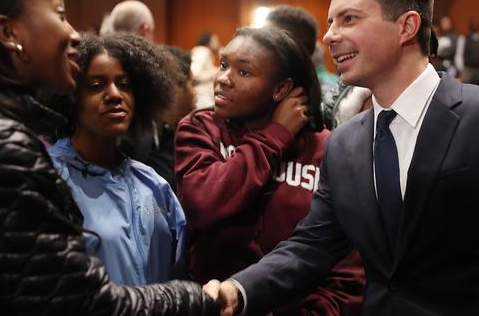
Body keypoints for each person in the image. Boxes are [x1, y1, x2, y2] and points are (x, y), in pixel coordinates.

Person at [205, 0, 479, 316]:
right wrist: (240, 290)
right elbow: (312, 246)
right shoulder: (344, 142)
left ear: (407, 26)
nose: (330, 35)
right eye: (331, 21)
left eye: (349, 19)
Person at [0, 0, 217, 314]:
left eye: (124, 84)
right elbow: (86, 303)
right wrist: (202, 298)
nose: (73, 33)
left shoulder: (152, 184)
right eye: (59, 14)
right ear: (9, 33)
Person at [175, 26, 365, 315]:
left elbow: (345, 262)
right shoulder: (201, 128)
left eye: (244, 72)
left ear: (280, 89)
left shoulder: (326, 149)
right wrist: (274, 136)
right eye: (224, 65)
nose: (223, 79)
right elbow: (206, 205)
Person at [47, 33, 186, 286]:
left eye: (124, 85)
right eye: (96, 86)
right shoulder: (49, 178)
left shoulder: (154, 184)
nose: (114, 95)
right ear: (72, 97)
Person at [121, 45, 197, 190]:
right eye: (192, 84)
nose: (195, 93)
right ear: (174, 86)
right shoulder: (144, 142)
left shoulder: (166, 132)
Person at [454, 19, 479, 86]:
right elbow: (459, 54)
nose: (475, 26)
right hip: (466, 69)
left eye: (476, 24)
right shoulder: (463, 38)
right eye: (473, 24)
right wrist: (461, 69)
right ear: (469, 26)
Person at [191, 31, 220, 109]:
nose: (218, 43)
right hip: (202, 95)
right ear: (208, 41)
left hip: (205, 95)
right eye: (215, 40)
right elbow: (194, 73)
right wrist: (213, 73)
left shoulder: (203, 52)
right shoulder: (202, 51)